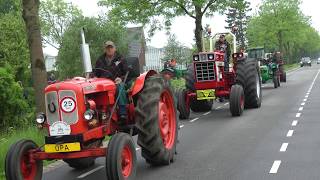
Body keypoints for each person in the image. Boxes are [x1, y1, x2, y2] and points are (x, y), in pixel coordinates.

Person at [95, 41, 128, 121]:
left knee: (120, 86)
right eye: (107, 48)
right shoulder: (100, 60)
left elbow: (127, 72)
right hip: (103, 84)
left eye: (111, 47)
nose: (109, 49)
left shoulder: (120, 58)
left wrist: (121, 79)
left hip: (117, 82)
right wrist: (94, 77)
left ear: (114, 48)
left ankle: (122, 112)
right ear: (105, 49)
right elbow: (95, 73)